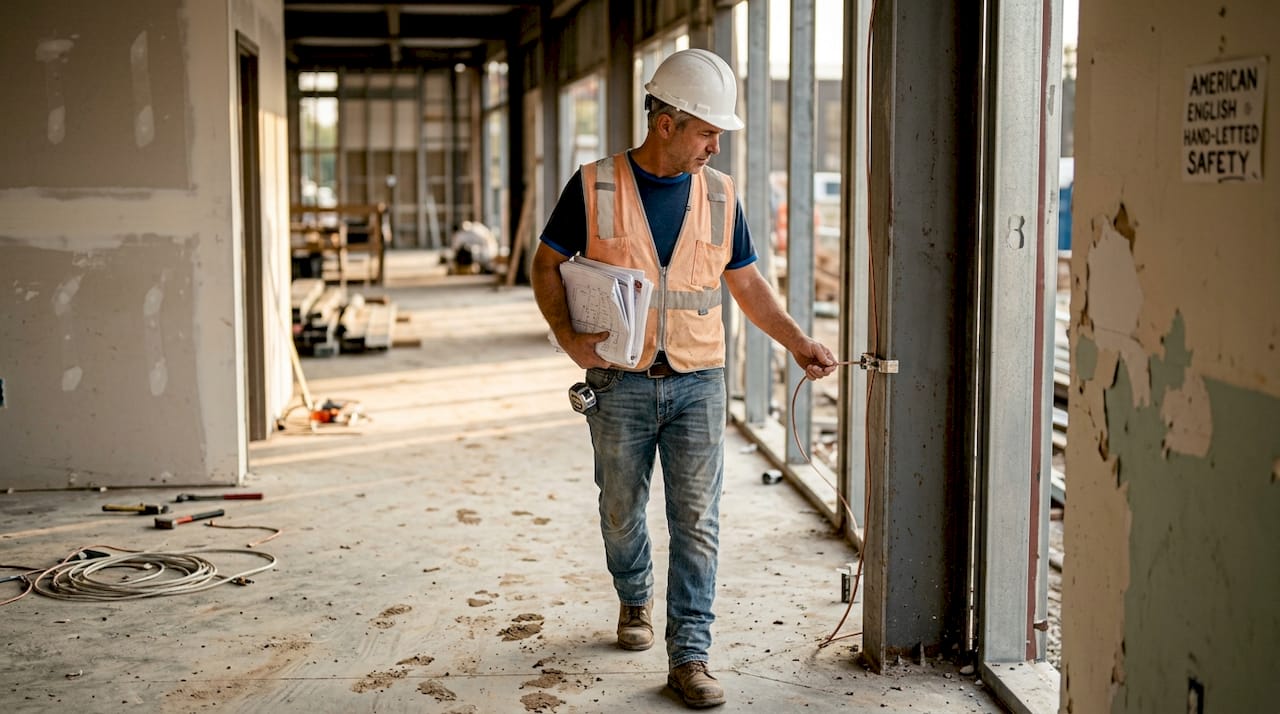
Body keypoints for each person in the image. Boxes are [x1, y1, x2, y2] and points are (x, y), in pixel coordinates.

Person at [531, 48, 836, 709]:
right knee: (620, 513)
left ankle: (690, 655)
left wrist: (797, 342)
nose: (715, 144)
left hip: (699, 380)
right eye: (706, 130)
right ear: (665, 122)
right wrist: (567, 337)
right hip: (619, 381)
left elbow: (748, 283)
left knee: (697, 521)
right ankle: (633, 595)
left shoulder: (721, 195)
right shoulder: (594, 185)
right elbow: (544, 264)